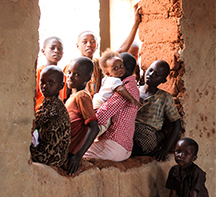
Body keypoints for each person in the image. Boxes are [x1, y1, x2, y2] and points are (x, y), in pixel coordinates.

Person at [63, 2, 142, 98]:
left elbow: (121, 50)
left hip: (96, 108)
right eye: (84, 42)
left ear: (97, 45)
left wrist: (136, 23)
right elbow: (65, 93)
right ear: (77, 46)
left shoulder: (99, 64)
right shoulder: (70, 66)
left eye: (92, 41)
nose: (89, 45)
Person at [83, 52, 139, 162]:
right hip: (122, 146)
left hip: (115, 145)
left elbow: (103, 116)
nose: (118, 69)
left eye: (120, 65)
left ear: (124, 68)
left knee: (78, 154)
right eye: (115, 67)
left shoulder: (125, 89)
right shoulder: (131, 86)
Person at [131, 60, 181, 161]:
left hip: (146, 138)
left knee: (128, 148)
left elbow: (177, 125)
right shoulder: (132, 91)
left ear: (163, 80)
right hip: (128, 131)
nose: (151, 75)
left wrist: (165, 150)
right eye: (150, 70)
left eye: (157, 74)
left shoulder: (165, 98)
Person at [30, 66, 71, 168]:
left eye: (51, 83)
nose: (45, 86)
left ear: (61, 86)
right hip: (57, 155)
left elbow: (35, 122)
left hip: (50, 156)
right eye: (42, 82)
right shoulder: (54, 101)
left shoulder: (52, 103)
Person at [93, 49, 141, 137]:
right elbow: (121, 90)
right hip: (100, 102)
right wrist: (132, 99)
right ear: (107, 73)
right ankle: (88, 139)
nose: (120, 69)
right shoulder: (116, 81)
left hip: (97, 99)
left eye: (121, 66)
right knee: (101, 127)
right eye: (115, 68)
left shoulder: (108, 78)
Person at [65, 57, 99, 175]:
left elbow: (94, 127)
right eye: (69, 72)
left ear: (87, 78)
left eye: (77, 74)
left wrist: (78, 156)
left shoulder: (82, 97)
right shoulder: (73, 95)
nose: (70, 76)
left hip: (69, 152)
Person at [35, 36, 67, 111]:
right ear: (43, 51)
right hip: (41, 113)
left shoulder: (63, 76)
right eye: (52, 48)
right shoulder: (39, 71)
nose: (56, 51)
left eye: (60, 49)